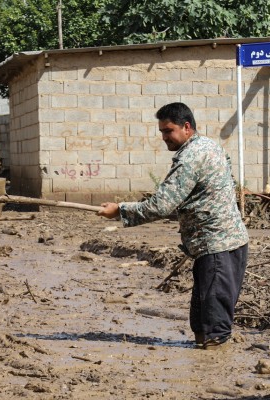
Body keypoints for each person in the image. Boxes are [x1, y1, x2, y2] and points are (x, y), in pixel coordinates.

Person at [98, 102, 249, 350]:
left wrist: (120, 210)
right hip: (221, 244)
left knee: (214, 325)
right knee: (202, 319)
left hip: (217, 246)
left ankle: (215, 368)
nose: (164, 138)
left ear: (186, 127)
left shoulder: (190, 157)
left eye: (168, 131)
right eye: (161, 132)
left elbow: (161, 205)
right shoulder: (210, 146)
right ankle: (203, 365)